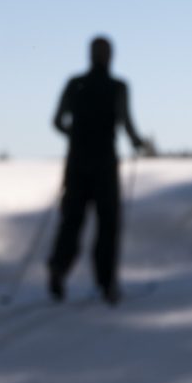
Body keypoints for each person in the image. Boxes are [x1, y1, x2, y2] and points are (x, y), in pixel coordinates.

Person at [47, 35, 145, 306]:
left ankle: (58, 268)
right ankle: (106, 283)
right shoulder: (117, 87)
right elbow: (126, 123)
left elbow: (57, 121)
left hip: (77, 163)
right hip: (104, 165)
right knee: (108, 224)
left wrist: (75, 136)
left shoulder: (75, 84)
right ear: (110, 56)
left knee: (72, 221)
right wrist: (137, 142)